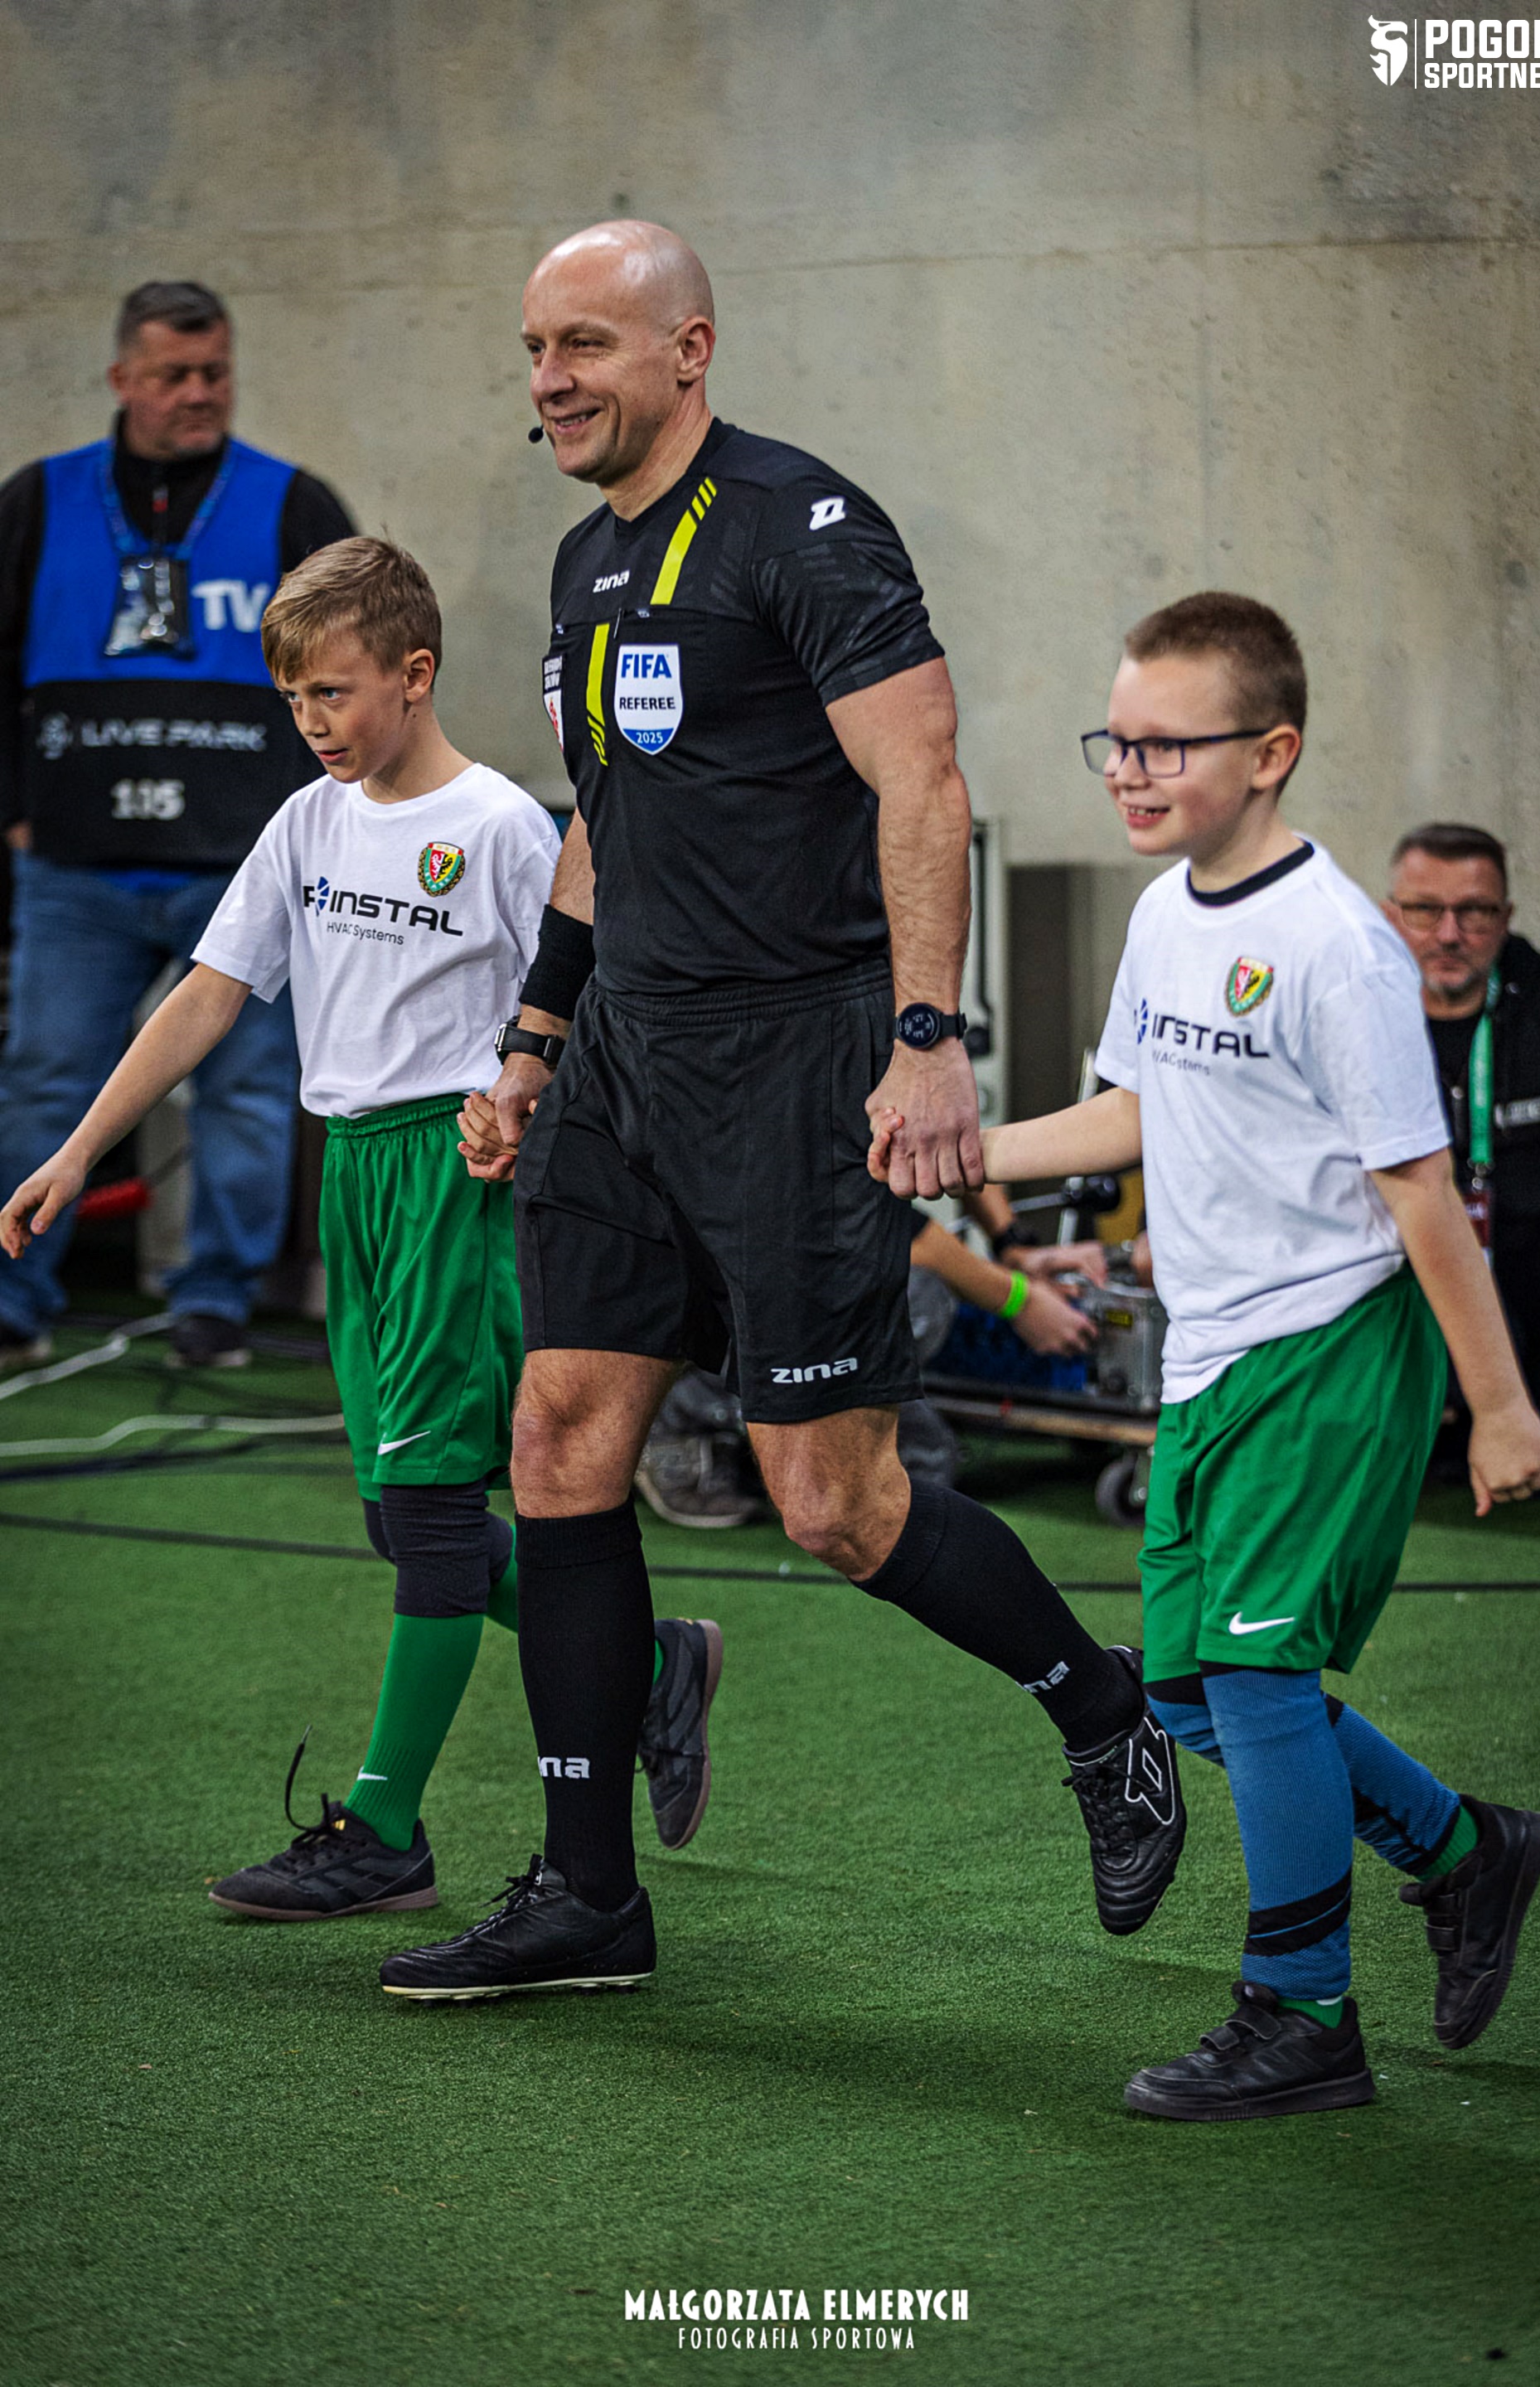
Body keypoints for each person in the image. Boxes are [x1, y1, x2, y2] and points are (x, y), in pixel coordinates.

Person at [375, 220, 1186, 2007]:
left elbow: (924, 778)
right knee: (558, 1440)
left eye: (585, 344)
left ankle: (1104, 1711)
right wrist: (533, 1040)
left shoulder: (804, 528)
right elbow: (604, 823)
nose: (549, 380)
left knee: (831, 1499)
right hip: (627, 1063)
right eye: (534, 349)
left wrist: (927, 1037)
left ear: (691, 349)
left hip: (800, 1060)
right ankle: (589, 1894)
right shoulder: (588, 561)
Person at [879, 592, 1540, 2120]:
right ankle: (1463, 1851)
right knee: (1185, 1693)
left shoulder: (1340, 949)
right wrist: (948, 1147)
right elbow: (1133, 1110)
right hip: (1213, 1352)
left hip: (1330, 1345)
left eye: (1166, 745)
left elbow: (1419, 1192)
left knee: (1255, 1673)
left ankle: (1303, 2013)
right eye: (1116, 741)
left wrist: (1502, 1405)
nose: (1129, 771)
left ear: (1272, 752)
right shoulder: (1166, 915)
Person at [0, 537, 720, 1916]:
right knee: (400, 1516)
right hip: (354, 1176)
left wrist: (525, 1112)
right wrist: (79, 1152)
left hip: (455, 1183)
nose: (313, 721)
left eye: (333, 691)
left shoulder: (501, 827)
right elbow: (211, 991)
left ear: (414, 673)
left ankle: (385, 1831)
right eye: (294, 699)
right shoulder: (306, 823)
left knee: (435, 1512)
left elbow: (588, 1002)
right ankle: (651, 1665)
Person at [0, 279, 356, 1372]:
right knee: (47, 1085)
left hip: (237, 877)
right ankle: (17, 1302)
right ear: (122, 379)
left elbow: (355, 674)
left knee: (243, 1096)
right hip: (75, 874)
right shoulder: (39, 501)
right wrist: (14, 815)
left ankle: (215, 1306)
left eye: (215, 373)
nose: (198, 393)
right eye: (172, 375)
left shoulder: (295, 506)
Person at [633, 1201, 1102, 1526]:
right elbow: (893, 1230)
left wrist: (1012, 1243)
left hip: (762, 1262)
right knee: (914, 1295)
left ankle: (771, 1432)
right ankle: (672, 1416)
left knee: (925, 1466)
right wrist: (1018, 1299)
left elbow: (959, 1146)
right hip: (689, 1267)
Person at [1384, 822, 1540, 1491]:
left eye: (1473, 912)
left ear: (1505, 918)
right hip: (1402, 1263)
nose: (1449, 934)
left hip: (1527, 1256)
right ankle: (1423, 1441)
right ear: (1390, 915)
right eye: (1425, 910)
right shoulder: (1355, 1004)